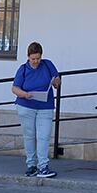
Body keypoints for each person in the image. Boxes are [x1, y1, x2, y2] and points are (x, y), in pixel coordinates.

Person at [11, 41, 60, 178]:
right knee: (29, 136)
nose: (35, 62)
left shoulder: (47, 65)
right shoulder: (23, 69)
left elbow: (57, 81)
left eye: (38, 58)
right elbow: (15, 88)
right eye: (33, 59)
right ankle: (31, 165)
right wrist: (24, 94)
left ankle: (43, 166)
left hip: (45, 105)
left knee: (43, 136)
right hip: (26, 105)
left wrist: (56, 82)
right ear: (28, 57)